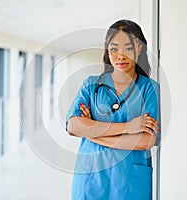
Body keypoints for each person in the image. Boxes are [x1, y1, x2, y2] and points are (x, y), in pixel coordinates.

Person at [66, 19, 160, 200]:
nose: (120, 55)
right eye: (114, 48)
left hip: (129, 181)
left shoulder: (149, 89)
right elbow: (73, 126)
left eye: (128, 48)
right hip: (91, 177)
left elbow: (146, 141)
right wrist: (128, 127)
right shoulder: (91, 85)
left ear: (139, 48)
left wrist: (92, 131)